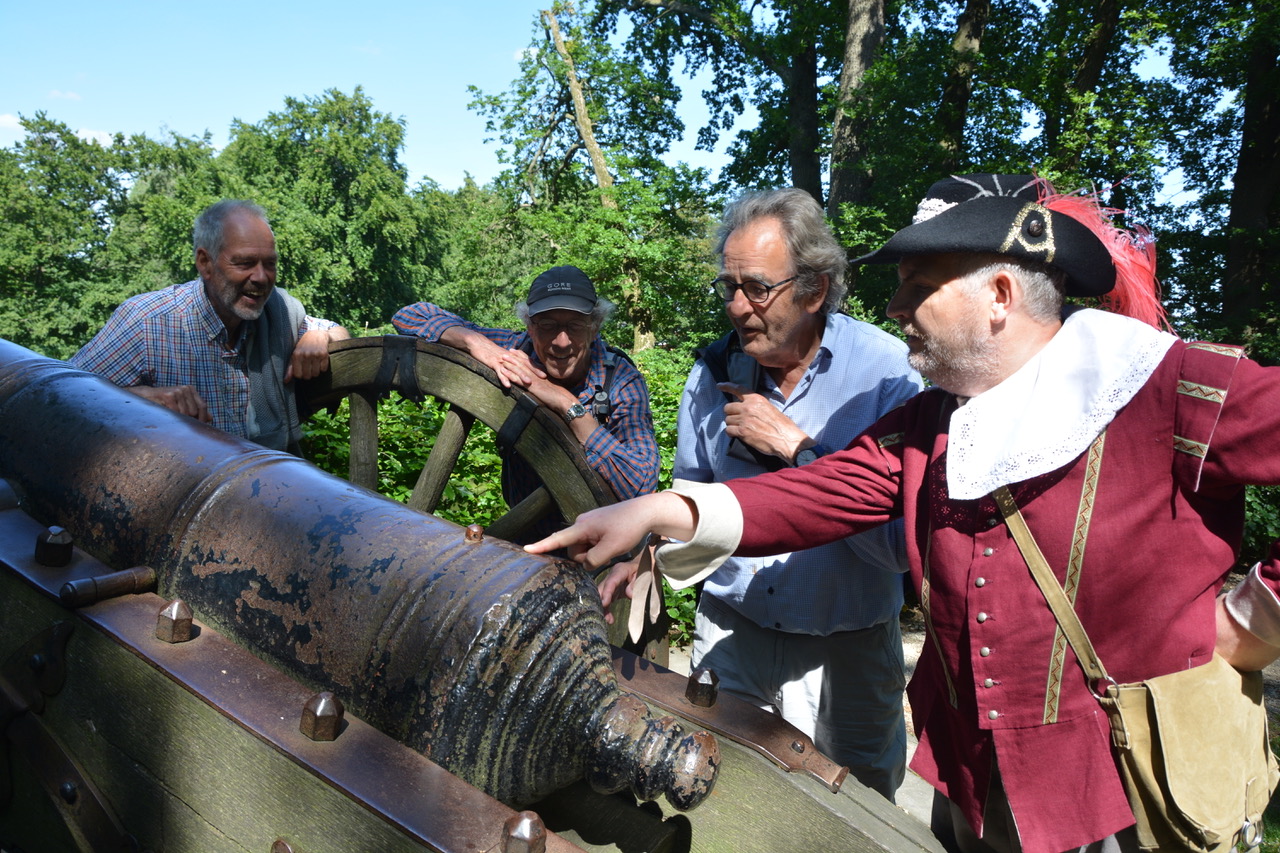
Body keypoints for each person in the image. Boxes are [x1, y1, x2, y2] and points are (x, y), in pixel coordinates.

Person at [528, 174, 1280, 853]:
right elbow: (819, 492)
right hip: (976, 784)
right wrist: (663, 508)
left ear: (998, 297)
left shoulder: (1170, 383)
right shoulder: (931, 423)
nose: (893, 308)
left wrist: (1256, 617)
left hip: (1126, 789)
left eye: (917, 285)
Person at [600, 188, 922, 800]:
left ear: (815, 289)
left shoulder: (888, 378)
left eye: (756, 288)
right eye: (728, 287)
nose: (737, 306)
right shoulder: (712, 372)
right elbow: (690, 494)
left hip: (845, 655)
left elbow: (899, 550)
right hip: (732, 638)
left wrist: (799, 450)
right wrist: (643, 552)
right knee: (713, 799)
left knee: (856, 817)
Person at [392, 266, 660, 539]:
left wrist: (567, 404)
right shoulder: (514, 350)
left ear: (595, 327)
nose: (561, 341)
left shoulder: (621, 380)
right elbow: (410, 316)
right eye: (548, 326)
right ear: (530, 327)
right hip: (527, 540)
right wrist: (478, 345)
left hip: (603, 551)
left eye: (575, 325)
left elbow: (640, 486)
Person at [71, 200, 349, 453]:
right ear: (205, 263)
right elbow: (62, 393)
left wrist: (320, 335)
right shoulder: (147, 322)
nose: (261, 278)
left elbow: (341, 333)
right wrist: (141, 400)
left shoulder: (277, 312)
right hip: (175, 495)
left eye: (270, 264)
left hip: (262, 489)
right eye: (245, 263)